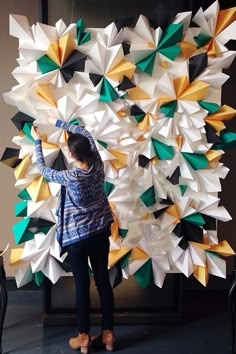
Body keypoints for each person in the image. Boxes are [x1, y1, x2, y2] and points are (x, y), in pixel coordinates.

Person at [31, 116, 115, 354]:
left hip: (77, 237)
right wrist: (59, 123)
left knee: (81, 285)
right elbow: (86, 133)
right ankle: (108, 335)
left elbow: (43, 170)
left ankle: (84, 338)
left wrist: (38, 142)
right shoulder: (98, 164)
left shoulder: (70, 176)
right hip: (100, 231)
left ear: (70, 154)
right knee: (102, 283)